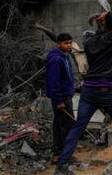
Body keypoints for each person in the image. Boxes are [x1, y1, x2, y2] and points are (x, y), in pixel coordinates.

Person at [55, 12, 112, 174]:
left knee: (78, 126)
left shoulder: (88, 42)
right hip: (106, 88)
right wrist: (108, 14)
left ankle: (61, 165)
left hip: (88, 89)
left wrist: (103, 21)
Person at [46, 33, 75, 166]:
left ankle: (59, 153)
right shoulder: (56, 59)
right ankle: (64, 155)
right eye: (66, 43)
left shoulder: (65, 56)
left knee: (60, 124)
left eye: (70, 43)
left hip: (66, 96)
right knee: (65, 126)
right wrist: (59, 101)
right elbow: (53, 82)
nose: (69, 45)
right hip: (61, 98)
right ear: (58, 44)